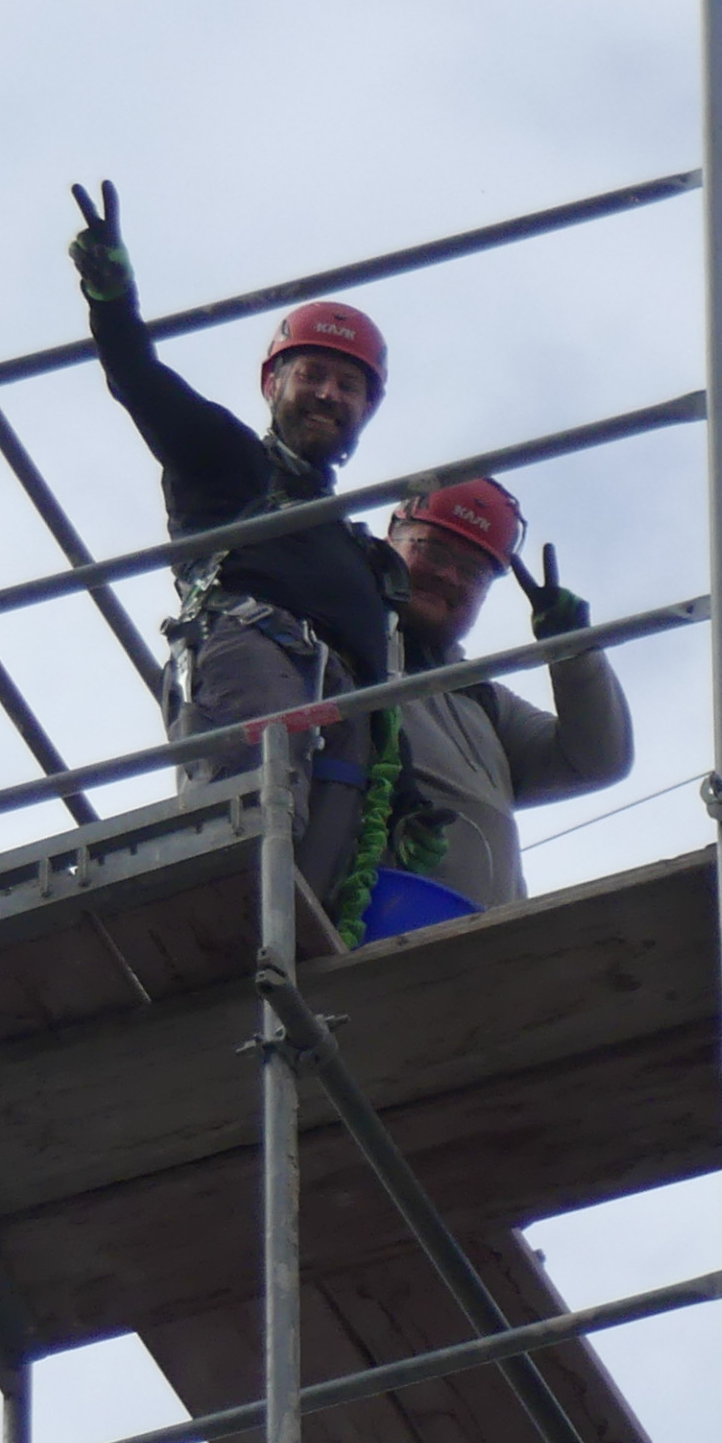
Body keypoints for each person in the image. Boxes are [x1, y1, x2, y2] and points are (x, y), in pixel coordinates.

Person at [65, 181, 397, 900]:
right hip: (258, 652)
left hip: (346, 710)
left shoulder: (352, 542)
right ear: (272, 383)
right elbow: (140, 382)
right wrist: (111, 301)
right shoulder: (223, 457)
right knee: (260, 832)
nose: (329, 396)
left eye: (349, 386)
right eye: (311, 375)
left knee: (318, 886)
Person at [359, 476, 634, 917]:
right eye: (432, 550)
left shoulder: (480, 699)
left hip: (487, 949)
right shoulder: (333, 651)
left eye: (471, 571)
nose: (448, 575)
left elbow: (598, 760)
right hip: (368, 937)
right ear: (390, 542)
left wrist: (574, 652)